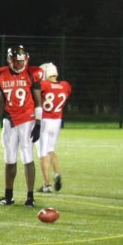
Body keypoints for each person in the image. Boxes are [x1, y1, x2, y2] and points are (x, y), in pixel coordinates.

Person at [0, 44, 44, 207]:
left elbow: (38, 102)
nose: (19, 64)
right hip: (9, 120)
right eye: (16, 61)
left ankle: (30, 197)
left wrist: (38, 124)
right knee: (9, 159)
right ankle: (8, 196)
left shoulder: (33, 74)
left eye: (21, 61)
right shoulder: (1, 74)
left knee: (27, 158)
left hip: (26, 120)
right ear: (9, 60)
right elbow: (1, 100)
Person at [37, 62, 71, 193]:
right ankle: (57, 174)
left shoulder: (44, 85)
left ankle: (47, 185)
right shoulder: (65, 85)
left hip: (45, 120)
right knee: (51, 149)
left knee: (42, 153)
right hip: (57, 120)